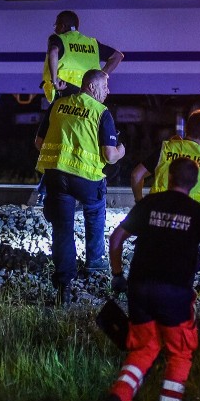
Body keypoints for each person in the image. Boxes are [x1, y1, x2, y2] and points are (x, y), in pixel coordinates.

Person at [104, 157, 200, 401]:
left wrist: (117, 275)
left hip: (139, 289)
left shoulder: (148, 204)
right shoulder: (199, 213)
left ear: (169, 177)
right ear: (195, 184)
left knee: (145, 348)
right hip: (174, 293)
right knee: (179, 352)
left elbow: (115, 239)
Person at [35, 69, 125, 304]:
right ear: (92, 87)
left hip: (56, 176)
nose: (108, 92)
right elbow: (109, 155)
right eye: (106, 87)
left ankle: (64, 279)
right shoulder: (101, 112)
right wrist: (122, 150)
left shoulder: (58, 105)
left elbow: (39, 142)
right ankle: (95, 263)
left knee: (62, 227)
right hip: (86, 179)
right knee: (94, 211)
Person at [130, 109, 200, 205]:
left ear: (185, 129)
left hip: (158, 210)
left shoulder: (165, 149)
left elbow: (136, 175)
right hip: (191, 213)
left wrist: (139, 201)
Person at [41, 10, 124, 102]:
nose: (55, 29)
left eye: (56, 25)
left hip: (65, 88)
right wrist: (100, 77)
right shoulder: (92, 44)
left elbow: (53, 51)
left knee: (54, 116)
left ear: (62, 26)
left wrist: (55, 81)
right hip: (89, 91)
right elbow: (117, 56)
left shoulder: (58, 39)